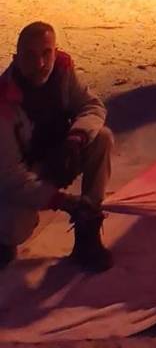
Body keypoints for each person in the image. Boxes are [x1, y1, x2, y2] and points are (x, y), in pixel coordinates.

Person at [0, 22, 113, 272]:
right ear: (16, 57)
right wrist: (62, 201)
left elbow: (92, 106)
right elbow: (11, 178)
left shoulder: (62, 71)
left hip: (60, 157)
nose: (40, 63)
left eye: (46, 53)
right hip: (25, 173)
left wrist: (76, 139)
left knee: (101, 139)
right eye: (30, 55)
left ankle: (87, 233)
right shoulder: (3, 102)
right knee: (13, 226)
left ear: (55, 51)